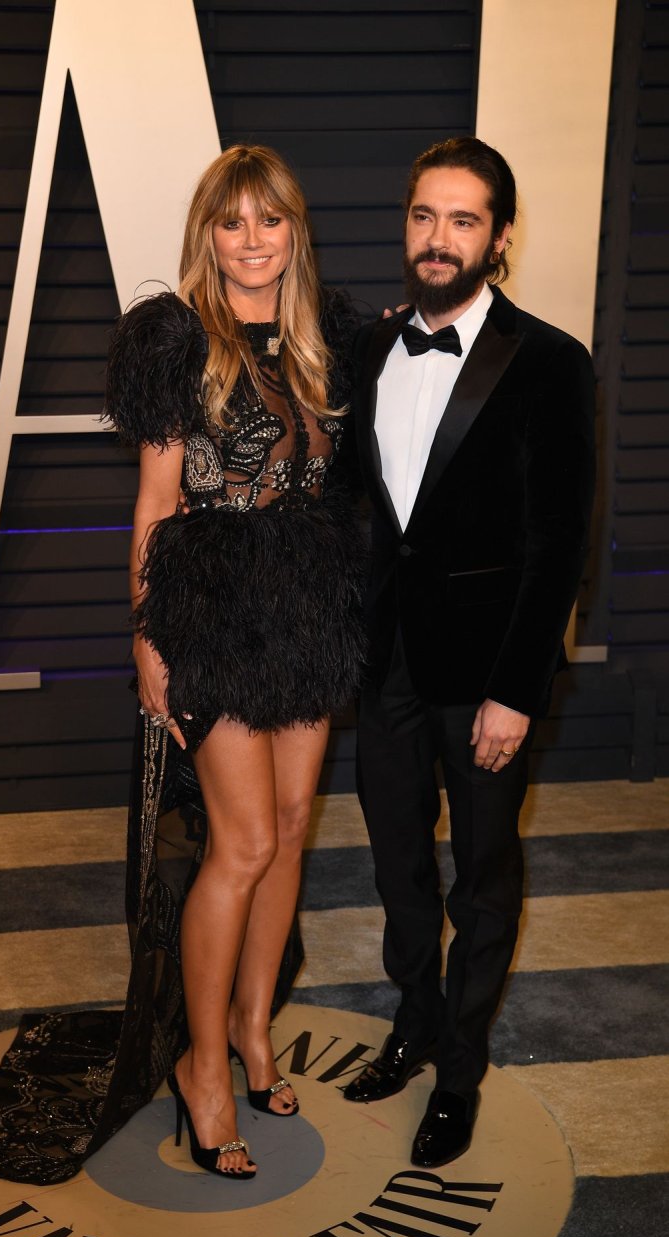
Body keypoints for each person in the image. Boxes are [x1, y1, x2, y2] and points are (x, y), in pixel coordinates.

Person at [0, 144, 364, 1184]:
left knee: (291, 828)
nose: (251, 240)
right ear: (208, 235)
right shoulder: (178, 341)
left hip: (306, 608)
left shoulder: (324, 341)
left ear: (294, 231)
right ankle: (201, 1068)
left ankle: (251, 1028)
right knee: (240, 841)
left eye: (269, 220)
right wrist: (146, 638)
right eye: (231, 222)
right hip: (212, 614)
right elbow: (153, 505)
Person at [344, 137, 595, 1169]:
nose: (437, 238)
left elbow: (556, 543)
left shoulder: (550, 361)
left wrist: (515, 692)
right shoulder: (369, 349)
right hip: (384, 665)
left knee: (481, 878)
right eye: (423, 215)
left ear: (499, 237)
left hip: (487, 675)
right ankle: (414, 1017)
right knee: (396, 864)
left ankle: (459, 1070)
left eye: (462, 219)